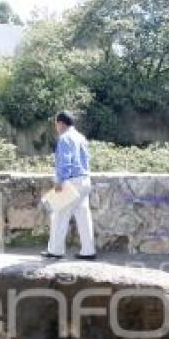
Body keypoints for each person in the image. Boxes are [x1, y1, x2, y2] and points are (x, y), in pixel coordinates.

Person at [42, 111, 97, 260]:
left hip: (72, 181)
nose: (56, 127)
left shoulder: (65, 138)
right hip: (85, 180)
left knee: (59, 214)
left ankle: (55, 251)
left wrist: (60, 181)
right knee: (83, 216)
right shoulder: (81, 137)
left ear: (60, 123)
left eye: (56, 124)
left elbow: (65, 162)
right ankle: (88, 251)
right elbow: (86, 160)